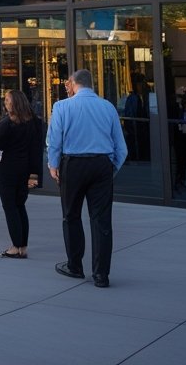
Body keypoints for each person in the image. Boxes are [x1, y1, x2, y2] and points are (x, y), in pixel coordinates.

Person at [47, 68, 127, 288]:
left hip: (73, 164)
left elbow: (54, 140)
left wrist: (53, 165)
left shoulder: (62, 106)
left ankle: (75, 265)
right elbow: (121, 146)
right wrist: (111, 168)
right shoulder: (107, 106)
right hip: (102, 163)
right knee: (102, 220)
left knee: (71, 215)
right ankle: (101, 274)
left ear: (73, 83)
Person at [0, 89, 43, 259]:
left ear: (14, 103)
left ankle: (16, 246)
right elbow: (36, 151)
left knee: (10, 207)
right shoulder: (35, 123)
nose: (5, 103)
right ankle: (23, 246)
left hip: (8, 170)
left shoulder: (5, 125)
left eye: (7, 100)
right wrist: (34, 174)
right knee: (20, 206)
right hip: (25, 170)